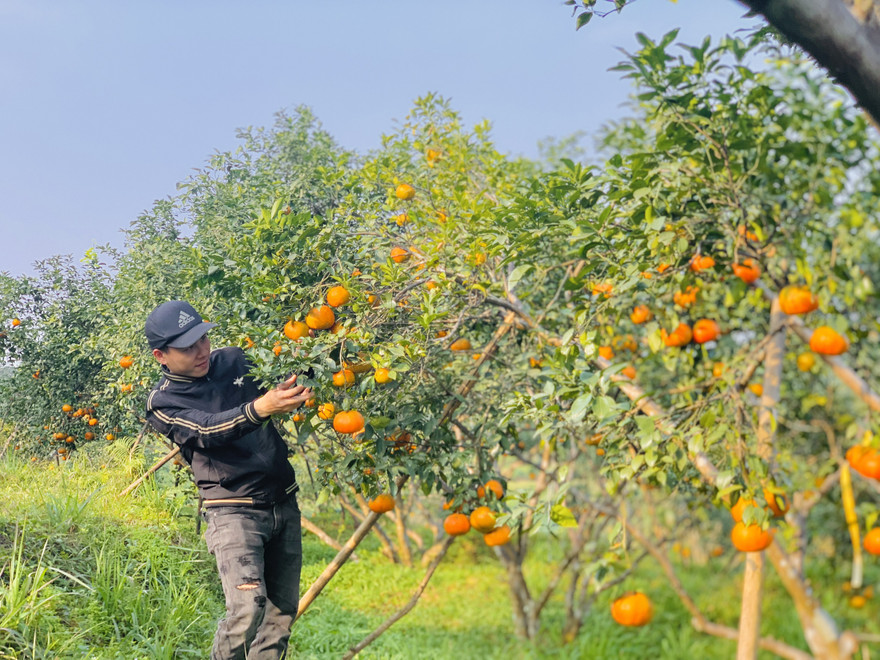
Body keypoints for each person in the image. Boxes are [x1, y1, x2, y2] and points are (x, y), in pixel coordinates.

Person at [143, 300, 312, 660]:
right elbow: (206, 431)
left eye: (203, 339)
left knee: (280, 614)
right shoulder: (163, 401)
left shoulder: (235, 359)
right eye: (187, 347)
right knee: (247, 610)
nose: (201, 350)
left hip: (283, 502)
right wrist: (261, 408)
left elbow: (283, 374)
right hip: (233, 512)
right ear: (161, 355)